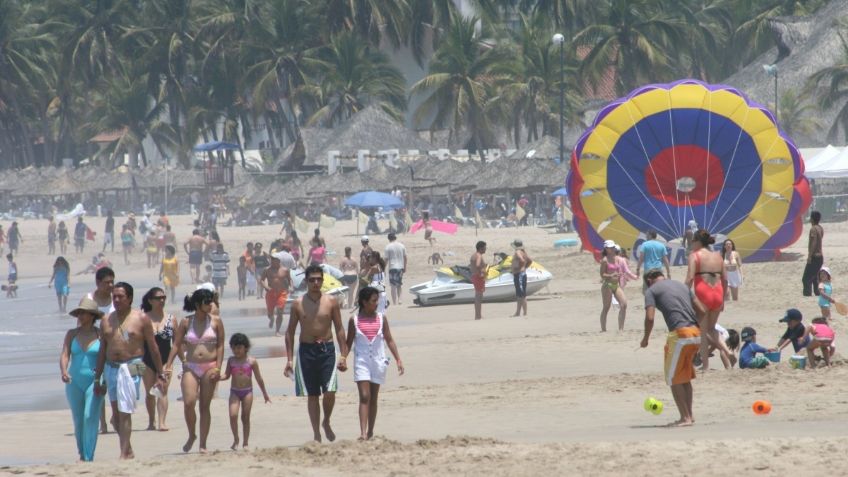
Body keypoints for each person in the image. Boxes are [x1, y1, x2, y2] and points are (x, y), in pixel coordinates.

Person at [94, 282, 167, 459]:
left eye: (121, 296)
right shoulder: (106, 320)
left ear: (130, 299)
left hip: (134, 365)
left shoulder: (141, 318)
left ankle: (122, 452)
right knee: (116, 415)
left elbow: (153, 348)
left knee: (125, 411)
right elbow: (102, 350)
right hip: (111, 367)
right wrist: (97, 377)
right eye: (114, 296)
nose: (117, 299)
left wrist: (160, 373)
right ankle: (128, 449)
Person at [283, 264, 349, 443]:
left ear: (323, 280)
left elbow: (340, 328)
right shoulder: (298, 303)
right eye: (312, 279)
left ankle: (326, 421)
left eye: (319, 279)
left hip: (327, 349)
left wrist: (343, 354)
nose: (316, 283)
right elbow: (289, 332)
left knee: (330, 391)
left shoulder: (331, 301)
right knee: (312, 395)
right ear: (306, 281)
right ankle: (316, 434)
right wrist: (289, 359)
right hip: (307, 351)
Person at [165, 288, 225, 453]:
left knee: (205, 406)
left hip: (210, 366)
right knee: (189, 402)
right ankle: (192, 434)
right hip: (191, 366)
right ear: (198, 304)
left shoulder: (216, 321)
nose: (210, 304)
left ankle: (203, 444)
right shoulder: (186, 322)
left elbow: (220, 345)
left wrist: (219, 367)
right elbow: (176, 344)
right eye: (207, 302)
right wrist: (169, 364)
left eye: (211, 301)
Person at [640, 270, 701, 427]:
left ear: (649, 280)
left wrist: (646, 338)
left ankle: (685, 417)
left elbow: (650, 317)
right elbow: (702, 310)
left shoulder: (651, 290)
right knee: (684, 378)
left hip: (680, 334)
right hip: (696, 332)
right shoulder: (682, 285)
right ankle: (690, 415)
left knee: (673, 379)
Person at [344, 286, 404, 440]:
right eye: (373, 301)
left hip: (378, 361)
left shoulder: (381, 318)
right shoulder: (354, 320)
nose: (376, 303)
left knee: (374, 397)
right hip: (362, 361)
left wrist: (398, 359)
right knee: (365, 396)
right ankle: (363, 433)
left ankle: (371, 431)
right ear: (364, 302)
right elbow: (348, 342)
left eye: (377, 300)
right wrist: (343, 358)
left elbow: (389, 339)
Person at [60, 297, 106, 461]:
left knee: (89, 416)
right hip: (74, 382)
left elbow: (106, 358)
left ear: (92, 315)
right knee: (78, 420)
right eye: (79, 312)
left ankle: (89, 454)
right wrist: (64, 371)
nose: (80, 315)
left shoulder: (101, 335)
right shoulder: (72, 334)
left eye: (84, 313)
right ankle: (81, 453)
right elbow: (65, 354)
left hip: (95, 381)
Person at [684, 229, 727, 372]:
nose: (691, 244)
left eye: (692, 242)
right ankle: (729, 351)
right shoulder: (718, 256)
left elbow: (690, 278)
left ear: (697, 242)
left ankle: (706, 366)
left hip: (703, 292)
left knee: (703, 332)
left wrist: (684, 294)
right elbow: (725, 280)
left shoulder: (694, 255)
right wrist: (723, 300)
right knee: (712, 328)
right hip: (718, 293)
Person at [219, 333, 271, 450]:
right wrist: (217, 377)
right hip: (235, 392)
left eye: (238, 348)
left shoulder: (251, 361)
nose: (236, 350)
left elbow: (259, 378)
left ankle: (245, 443)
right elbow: (226, 375)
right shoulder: (231, 361)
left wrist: (265, 394)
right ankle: (236, 438)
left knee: (245, 417)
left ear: (245, 348)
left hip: (247, 392)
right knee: (233, 415)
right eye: (233, 348)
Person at [140, 288, 177, 431]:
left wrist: (180, 361)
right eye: (158, 298)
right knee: (150, 392)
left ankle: (162, 422)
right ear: (150, 301)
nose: (162, 300)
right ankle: (151, 421)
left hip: (165, 360)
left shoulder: (171, 319)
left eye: (164, 297)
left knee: (162, 390)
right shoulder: (143, 318)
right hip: (146, 361)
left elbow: (177, 343)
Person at [599, 240, 636, 332]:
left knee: (624, 304)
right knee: (606, 307)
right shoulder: (605, 260)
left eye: (612, 247)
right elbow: (602, 274)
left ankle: (621, 329)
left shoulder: (618, 258)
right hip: (607, 285)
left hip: (616, 285)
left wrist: (623, 276)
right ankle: (603, 330)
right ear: (606, 249)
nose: (611, 249)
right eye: (609, 248)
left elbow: (624, 269)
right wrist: (611, 275)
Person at [261, 253, 291, 336]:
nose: (272, 261)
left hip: (282, 293)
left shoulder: (285, 270)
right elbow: (262, 280)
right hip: (270, 292)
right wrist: (266, 287)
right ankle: (271, 319)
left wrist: (291, 287)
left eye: (274, 260)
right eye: (272, 259)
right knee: (270, 313)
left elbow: (289, 280)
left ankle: (277, 331)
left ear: (279, 261)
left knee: (280, 311)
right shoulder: (267, 270)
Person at [802, 210, 824, 296]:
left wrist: (809, 256)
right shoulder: (820, 228)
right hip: (820, 257)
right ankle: (818, 293)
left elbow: (814, 242)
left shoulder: (813, 229)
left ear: (812, 219)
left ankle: (807, 295)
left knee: (806, 278)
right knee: (815, 278)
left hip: (815, 256)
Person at [510, 239, 532, 317]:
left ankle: (525, 313)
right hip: (521, 274)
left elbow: (522, 260)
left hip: (519, 274)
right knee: (519, 295)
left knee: (522, 295)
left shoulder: (518, 252)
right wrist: (524, 267)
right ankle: (518, 312)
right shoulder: (523, 252)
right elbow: (530, 261)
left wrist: (519, 268)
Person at [384, 233, 407, 306]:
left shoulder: (388, 247)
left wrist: (383, 268)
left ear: (389, 239)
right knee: (399, 284)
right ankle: (400, 300)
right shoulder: (402, 245)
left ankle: (394, 302)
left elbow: (386, 259)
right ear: (395, 237)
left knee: (393, 286)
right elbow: (405, 257)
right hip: (400, 267)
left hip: (392, 267)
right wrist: (405, 267)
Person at [470, 241, 487, 320]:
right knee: (479, 297)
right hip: (478, 277)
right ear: (481, 248)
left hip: (474, 276)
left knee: (477, 296)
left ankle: (478, 315)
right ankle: (478, 316)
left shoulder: (474, 255)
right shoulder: (479, 256)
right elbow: (477, 265)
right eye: (485, 247)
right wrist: (481, 272)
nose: (485, 249)